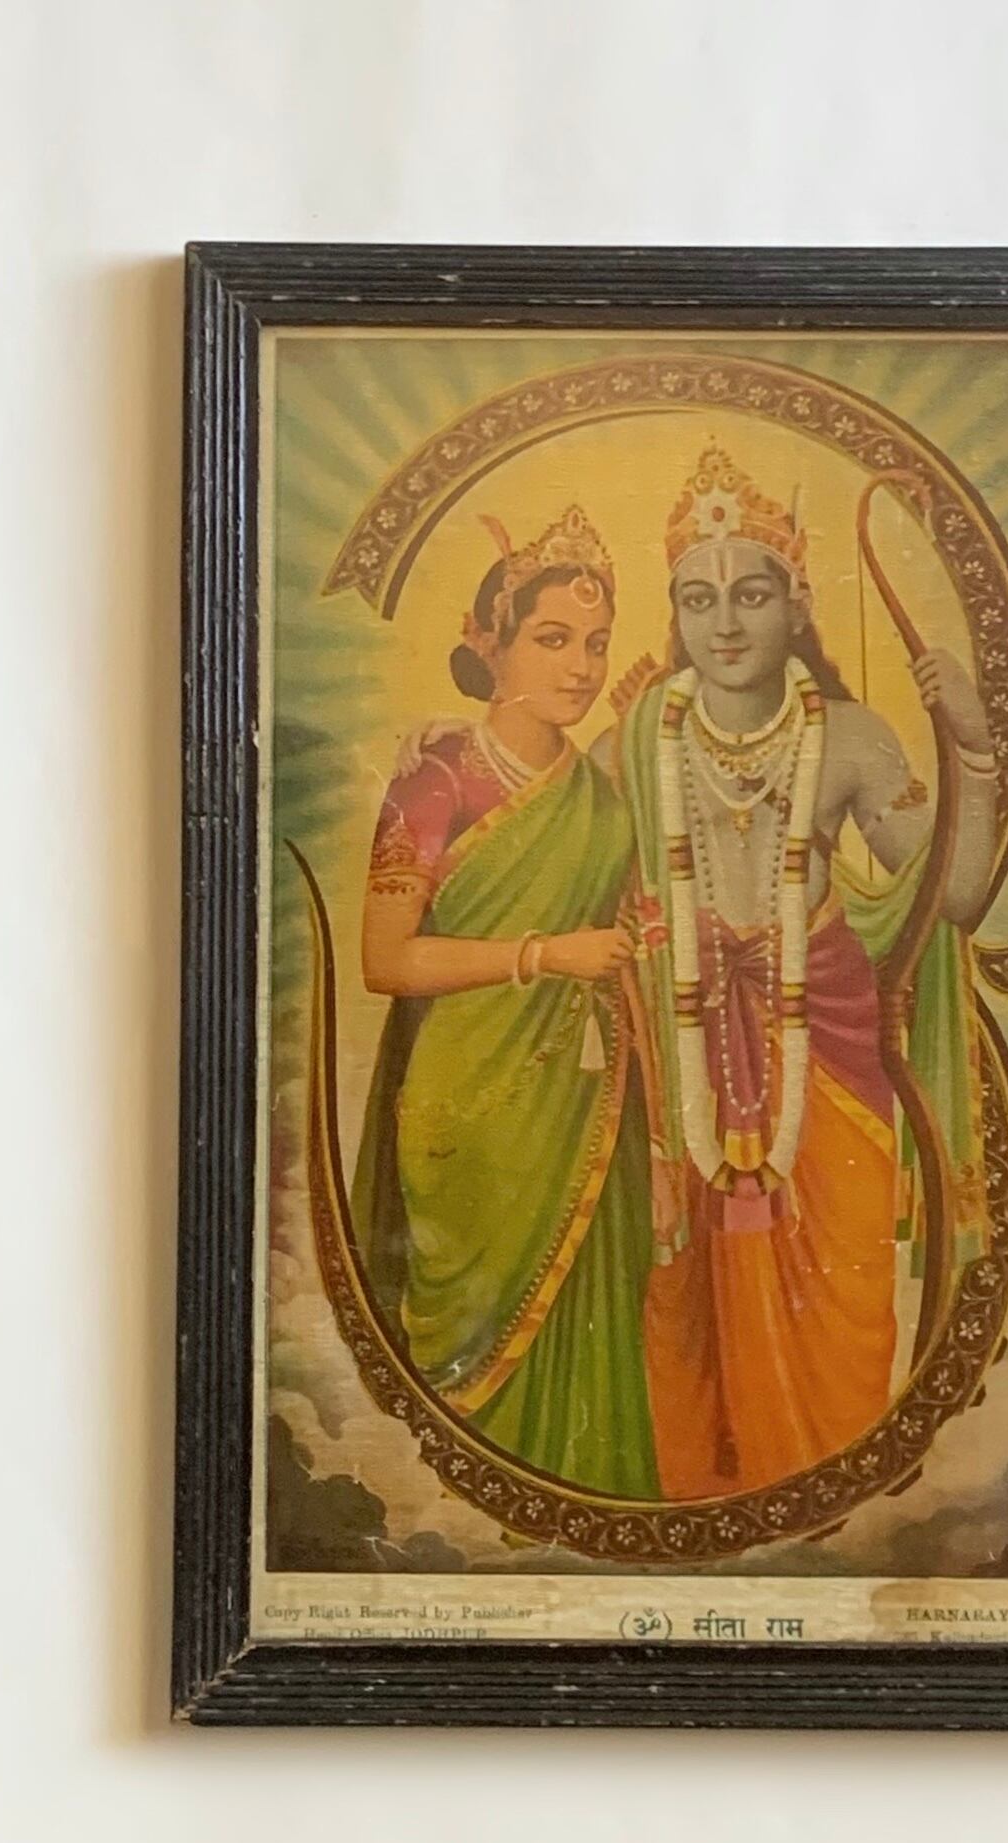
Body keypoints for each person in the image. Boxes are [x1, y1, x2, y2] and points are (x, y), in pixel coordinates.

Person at [606, 445, 993, 1497]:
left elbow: (956, 896)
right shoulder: (635, 740)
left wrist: (972, 748)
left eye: (751, 593)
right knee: (684, 1310)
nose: (724, 623)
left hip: (826, 1047)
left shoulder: (851, 739)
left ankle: (830, 1505)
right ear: (675, 614)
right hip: (681, 1064)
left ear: (797, 604)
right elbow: (566, 877)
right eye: (698, 599)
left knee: (841, 1304)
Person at [351, 506, 660, 1497]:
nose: (580, 666)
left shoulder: (601, 795)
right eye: (552, 639)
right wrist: (542, 955)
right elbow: (385, 961)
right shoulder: (433, 779)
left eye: (595, 643)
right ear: (492, 643)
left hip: (585, 1109)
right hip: (468, 1112)